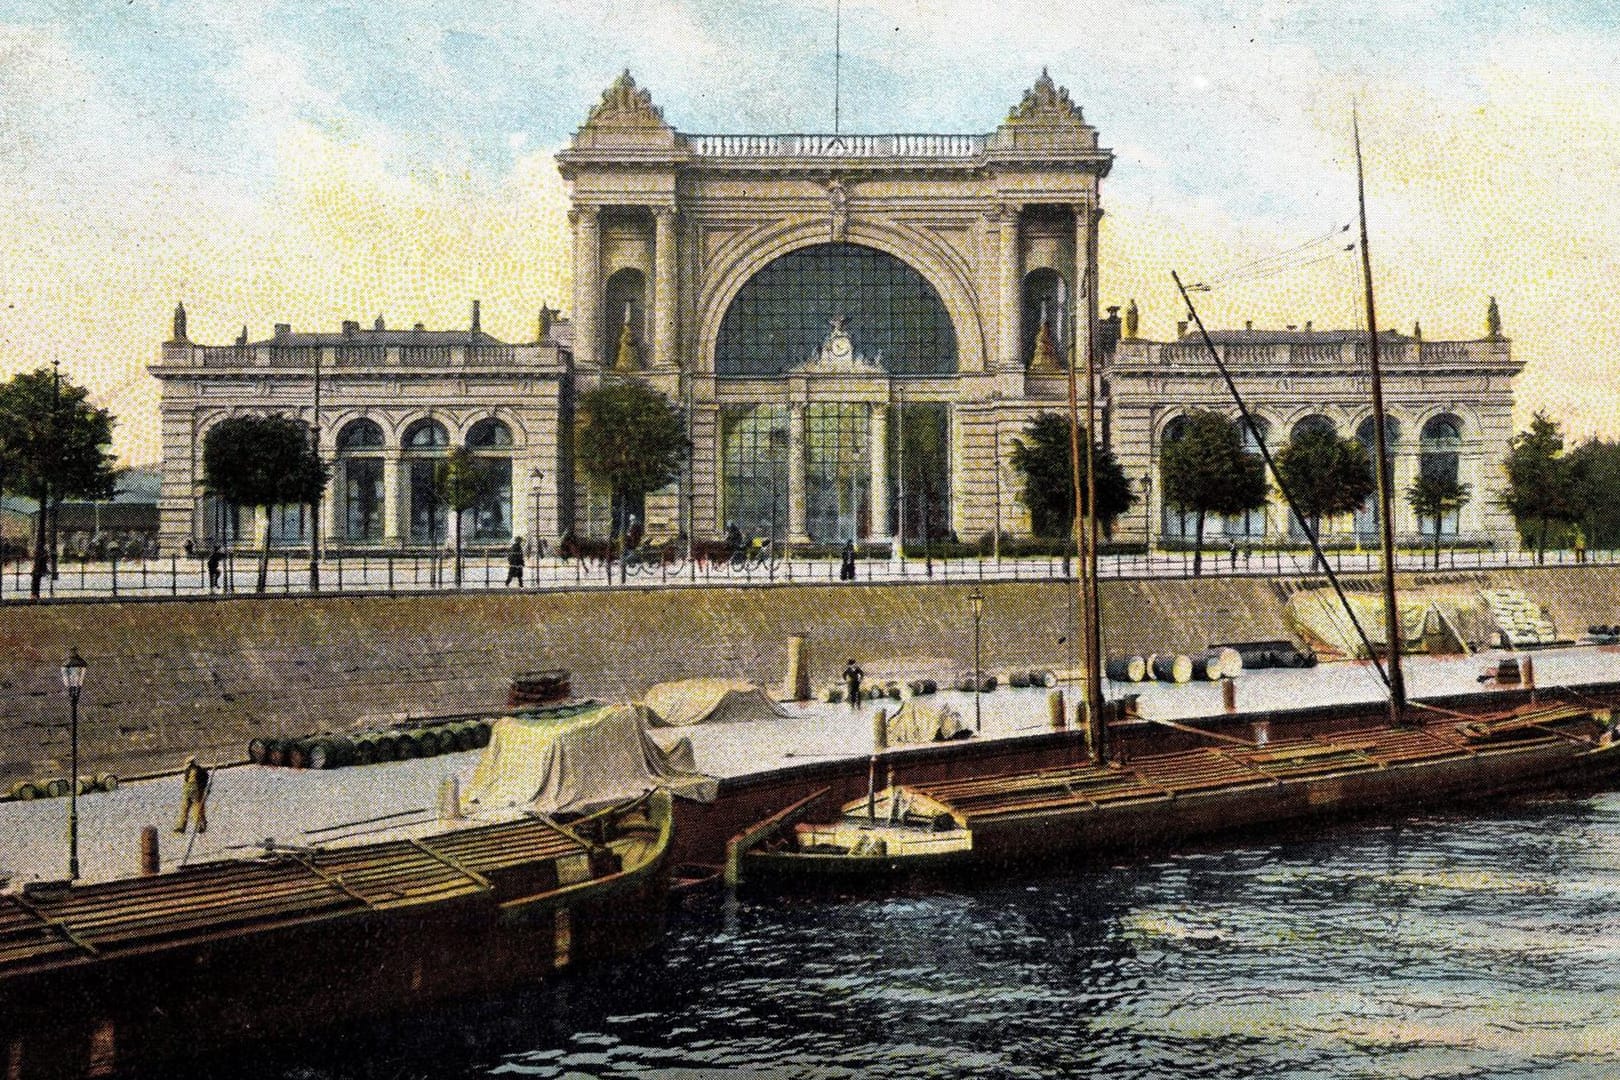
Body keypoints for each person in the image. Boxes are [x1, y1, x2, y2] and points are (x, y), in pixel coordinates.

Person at [175, 756, 209, 835]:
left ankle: (200, 824)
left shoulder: (200, 771)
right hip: (188, 791)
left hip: (197, 791)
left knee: (197, 809)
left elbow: (203, 781)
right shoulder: (188, 771)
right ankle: (182, 826)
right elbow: (187, 782)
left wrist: (201, 789)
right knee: (186, 808)